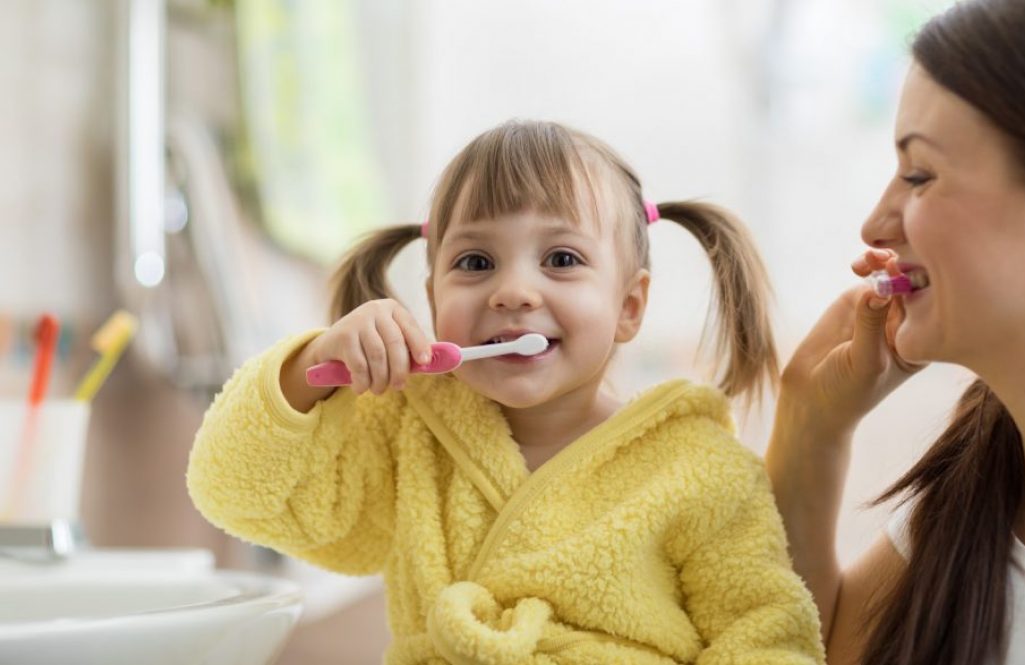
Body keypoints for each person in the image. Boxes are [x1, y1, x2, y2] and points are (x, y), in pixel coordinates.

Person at [188, 120, 823, 664]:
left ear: (628, 306)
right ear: (434, 299)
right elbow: (239, 495)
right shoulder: (408, 432)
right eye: (475, 263)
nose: (513, 290)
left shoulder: (701, 468)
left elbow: (765, 635)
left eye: (562, 260)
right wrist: (306, 368)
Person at [765, 1, 1025, 664]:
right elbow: (799, 647)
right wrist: (811, 422)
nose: (875, 226)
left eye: (919, 174)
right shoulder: (972, 502)